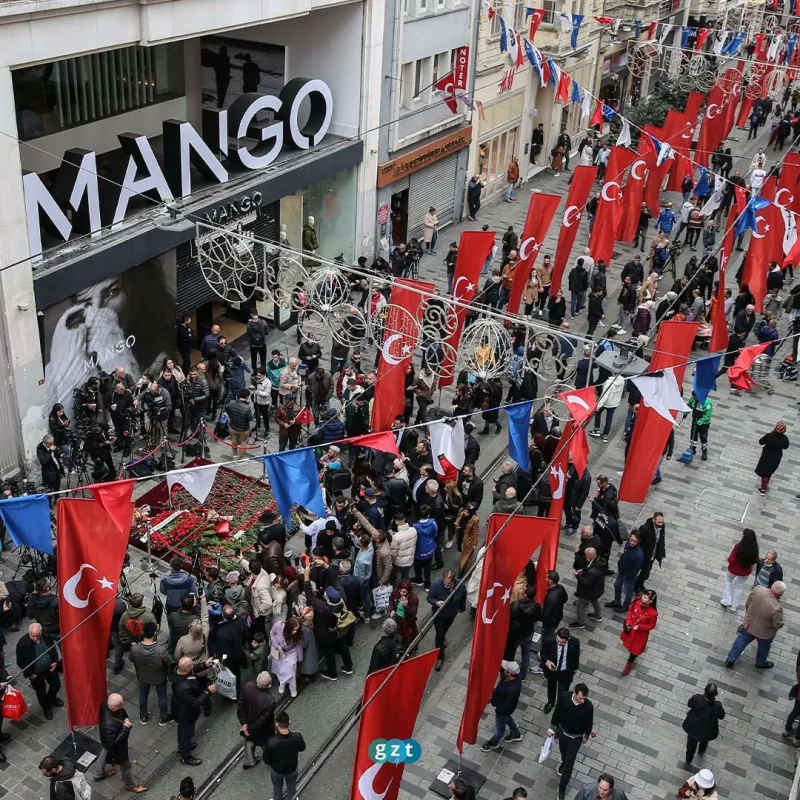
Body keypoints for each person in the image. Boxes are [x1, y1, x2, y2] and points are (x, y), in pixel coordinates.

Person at [93, 693, 148, 792]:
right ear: (113, 707)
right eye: (121, 704)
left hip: (105, 740)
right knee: (126, 766)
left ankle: (98, 774)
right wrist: (125, 728)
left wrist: (125, 720)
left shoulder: (105, 704)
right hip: (116, 748)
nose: (123, 705)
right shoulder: (109, 725)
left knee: (104, 752)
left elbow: (121, 713)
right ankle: (130, 785)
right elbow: (114, 743)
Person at [548, 683, 594, 800]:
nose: (583, 701)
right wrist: (552, 727)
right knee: (563, 751)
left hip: (576, 737)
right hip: (563, 731)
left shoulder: (588, 706)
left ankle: (562, 788)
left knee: (570, 761)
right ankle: (563, 763)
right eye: (580, 698)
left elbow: (589, 722)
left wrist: (587, 735)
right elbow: (557, 711)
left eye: (584, 698)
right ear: (574, 694)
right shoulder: (564, 697)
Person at [725, 581, 786, 669]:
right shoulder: (776, 607)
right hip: (764, 632)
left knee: (741, 640)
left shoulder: (758, 590)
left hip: (749, 624)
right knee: (763, 647)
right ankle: (760, 662)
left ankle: (731, 659)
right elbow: (777, 624)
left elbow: (747, 604)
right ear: (780, 593)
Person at [171, 656, 216, 765]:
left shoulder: (178, 671)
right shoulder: (183, 687)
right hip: (186, 714)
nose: (193, 666)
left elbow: (192, 669)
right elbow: (195, 703)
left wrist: (204, 665)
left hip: (180, 710)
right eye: (191, 665)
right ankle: (185, 756)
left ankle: (183, 747)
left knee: (183, 731)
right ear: (187, 669)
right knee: (187, 733)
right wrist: (207, 692)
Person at [129, 620, 172, 725]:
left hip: (143, 676)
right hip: (159, 677)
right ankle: (163, 717)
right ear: (155, 634)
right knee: (162, 697)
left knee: (143, 696)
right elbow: (169, 662)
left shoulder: (134, 649)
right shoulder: (161, 650)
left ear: (143, 632)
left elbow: (131, 659)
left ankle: (143, 716)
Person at [16, 622, 62, 719]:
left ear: (41, 632)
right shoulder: (22, 644)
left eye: (37, 636)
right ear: (29, 633)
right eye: (33, 636)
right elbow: (20, 662)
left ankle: (51, 698)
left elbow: (53, 649)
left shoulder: (46, 636)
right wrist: (30, 674)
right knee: (40, 691)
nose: (36, 639)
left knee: (56, 685)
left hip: (50, 668)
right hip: (36, 673)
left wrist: (55, 661)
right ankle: (46, 707)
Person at [480, 660, 523, 751]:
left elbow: (495, 701)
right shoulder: (517, 679)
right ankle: (516, 734)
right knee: (508, 719)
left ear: (508, 673)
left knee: (500, 729)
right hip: (508, 708)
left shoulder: (507, 689)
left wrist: (493, 699)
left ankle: (494, 742)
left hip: (502, 710)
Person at [428, 570, 466, 671]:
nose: (446, 585)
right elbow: (429, 597)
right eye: (445, 583)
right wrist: (436, 602)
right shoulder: (436, 585)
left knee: (444, 631)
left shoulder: (460, 586)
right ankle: (440, 657)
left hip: (451, 614)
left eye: (448, 583)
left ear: (453, 581)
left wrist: (462, 608)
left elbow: (463, 597)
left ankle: (442, 637)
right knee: (439, 635)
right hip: (439, 615)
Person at [263, 710, 306, 800]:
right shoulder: (297, 737)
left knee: (277, 787)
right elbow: (302, 748)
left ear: (277, 725)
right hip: (292, 768)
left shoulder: (271, 741)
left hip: (277, 770)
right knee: (291, 787)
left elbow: (266, 758)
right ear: (289, 723)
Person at [237, 671, 276, 770]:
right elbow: (263, 720)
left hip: (248, 723)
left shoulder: (247, 686)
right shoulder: (270, 700)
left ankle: (249, 761)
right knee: (266, 744)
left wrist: (244, 724)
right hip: (262, 729)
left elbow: (240, 706)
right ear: (268, 685)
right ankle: (270, 759)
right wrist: (250, 728)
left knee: (249, 741)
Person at [682, 683, 725, 766]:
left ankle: (688, 759)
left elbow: (689, 704)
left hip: (693, 728)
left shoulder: (697, 699)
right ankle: (701, 750)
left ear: (705, 691)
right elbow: (721, 716)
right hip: (708, 731)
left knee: (691, 745)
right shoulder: (717, 706)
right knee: (704, 741)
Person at [619, 589, 658, 676]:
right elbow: (630, 611)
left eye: (645, 597)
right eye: (643, 595)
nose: (642, 597)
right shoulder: (637, 601)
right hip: (630, 628)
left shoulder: (653, 613)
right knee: (628, 643)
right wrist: (628, 622)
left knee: (635, 650)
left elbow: (652, 625)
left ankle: (630, 662)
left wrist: (640, 627)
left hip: (640, 634)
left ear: (650, 601)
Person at [541, 627, 580, 713]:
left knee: (563, 693)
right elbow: (543, 653)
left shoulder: (575, 642)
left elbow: (576, 656)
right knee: (551, 687)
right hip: (552, 670)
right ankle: (551, 702)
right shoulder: (549, 640)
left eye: (562, 642)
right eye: (557, 640)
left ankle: (560, 707)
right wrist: (548, 662)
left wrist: (574, 668)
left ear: (568, 639)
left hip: (565, 672)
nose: (558, 643)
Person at [720, 528, 759, 613]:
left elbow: (731, 559)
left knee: (728, 581)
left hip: (733, 569)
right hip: (745, 571)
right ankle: (734, 606)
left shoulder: (738, 546)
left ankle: (727, 600)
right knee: (739, 586)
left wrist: (728, 559)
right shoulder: (754, 547)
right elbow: (756, 559)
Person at [606, 531, 643, 612]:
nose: (632, 542)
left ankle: (626, 606)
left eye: (635, 541)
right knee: (617, 585)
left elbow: (635, 569)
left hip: (628, 575)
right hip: (622, 571)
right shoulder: (628, 544)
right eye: (631, 539)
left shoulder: (638, 555)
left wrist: (628, 576)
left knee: (627, 590)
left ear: (639, 541)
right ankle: (617, 601)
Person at [571, 547, 604, 630]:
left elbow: (586, 583)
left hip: (588, 593)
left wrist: (577, 575)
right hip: (597, 589)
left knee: (580, 605)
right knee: (594, 601)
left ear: (588, 557)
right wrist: (583, 570)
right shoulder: (599, 560)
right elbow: (589, 567)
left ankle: (580, 622)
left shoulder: (592, 572)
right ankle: (597, 615)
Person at [269, 617, 303, 697]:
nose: (295, 632)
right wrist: (276, 645)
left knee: (292, 670)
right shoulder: (278, 625)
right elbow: (272, 633)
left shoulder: (297, 634)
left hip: (291, 652)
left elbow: (298, 645)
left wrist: (299, 657)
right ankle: (282, 683)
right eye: (294, 629)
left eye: (297, 629)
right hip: (279, 653)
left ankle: (292, 687)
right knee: (281, 670)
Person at [755, 421, 789, 494]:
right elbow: (786, 447)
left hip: (767, 456)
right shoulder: (785, 438)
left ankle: (763, 489)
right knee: (770, 471)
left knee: (764, 472)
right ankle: (766, 483)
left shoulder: (769, 436)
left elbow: (761, 442)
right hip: (777, 457)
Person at [635, 512, 665, 593]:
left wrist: (662, 551)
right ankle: (635, 586)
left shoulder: (662, 527)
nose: (661, 524)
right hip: (643, 555)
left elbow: (661, 539)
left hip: (652, 555)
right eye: (659, 522)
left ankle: (639, 584)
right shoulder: (645, 528)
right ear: (653, 520)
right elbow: (637, 539)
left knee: (645, 573)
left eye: (662, 522)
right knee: (638, 571)